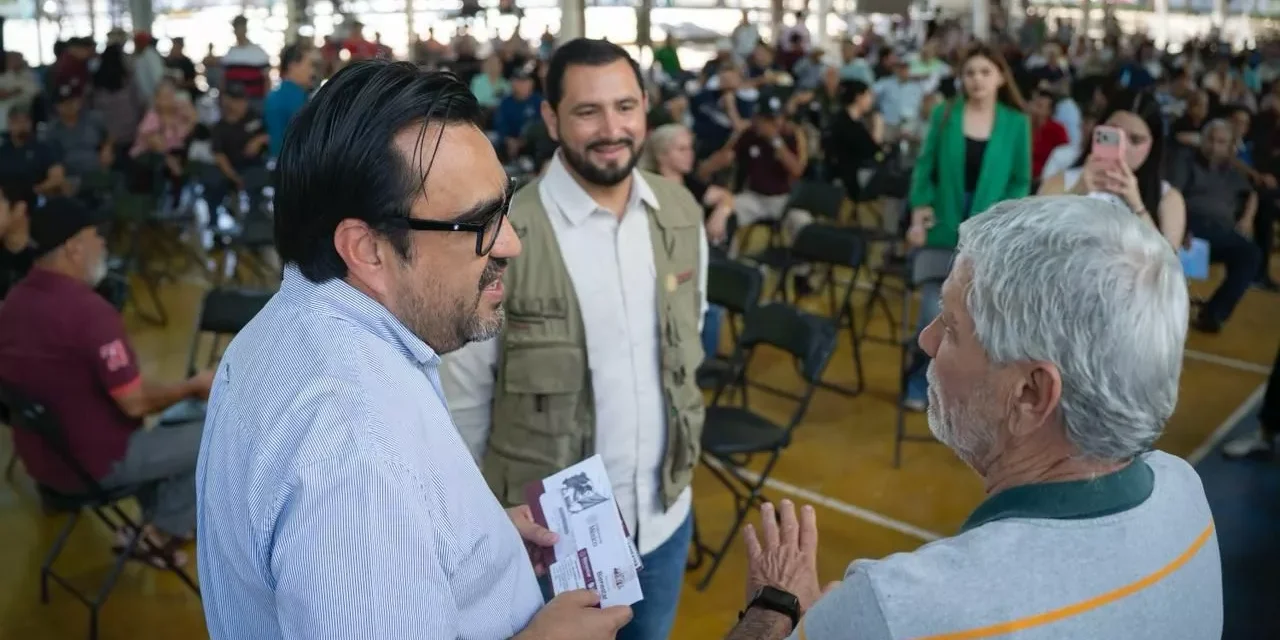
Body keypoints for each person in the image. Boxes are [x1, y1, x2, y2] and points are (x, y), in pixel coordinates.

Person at [196, 60, 632, 640]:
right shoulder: (359, 457)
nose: (511, 242)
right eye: (478, 223)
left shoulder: (287, 333)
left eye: (506, 205)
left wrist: (472, 551)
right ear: (367, 249)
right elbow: (366, 501)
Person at [723, 196, 1222, 640]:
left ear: (1031, 393)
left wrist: (775, 607)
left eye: (953, 326)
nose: (927, 339)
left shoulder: (901, 611)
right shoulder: (1183, 489)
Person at [441, 39, 706, 640]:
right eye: (588, 112)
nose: (612, 129)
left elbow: (685, 353)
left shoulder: (681, 215)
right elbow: (463, 409)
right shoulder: (506, 237)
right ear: (551, 118)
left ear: (646, 108)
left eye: (626, 107)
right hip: (550, 544)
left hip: (663, 524)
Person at [0, 197, 212, 566]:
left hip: (44, 462)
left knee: (179, 418)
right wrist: (193, 385)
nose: (104, 243)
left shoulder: (13, 302)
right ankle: (159, 534)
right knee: (218, 429)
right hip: (95, 466)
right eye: (96, 235)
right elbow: (135, 403)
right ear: (73, 248)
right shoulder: (87, 312)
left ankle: (157, 513)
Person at [903, 42, 1032, 411]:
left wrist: (1004, 220)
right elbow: (924, 169)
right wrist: (918, 212)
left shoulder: (1016, 123)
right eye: (971, 73)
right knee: (933, 313)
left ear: (1000, 78)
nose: (977, 80)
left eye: (985, 73)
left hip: (989, 231)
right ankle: (918, 380)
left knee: (978, 319)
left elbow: (1021, 179)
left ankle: (962, 390)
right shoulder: (945, 114)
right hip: (943, 222)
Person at [1039, 91, 1186, 247]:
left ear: (1153, 146)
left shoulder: (1167, 198)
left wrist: (1137, 206)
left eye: (1135, 140)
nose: (1123, 147)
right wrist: (1077, 191)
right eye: (1113, 135)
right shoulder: (1063, 180)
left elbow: (1168, 266)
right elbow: (1034, 240)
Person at [1166, 119, 1261, 333]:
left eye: (1221, 142)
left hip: (1222, 231)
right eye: (1211, 139)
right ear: (1202, 139)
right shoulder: (1185, 160)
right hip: (1192, 225)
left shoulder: (1232, 170)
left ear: (1229, 147)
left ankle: (1214, 314)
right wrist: (1182, 225)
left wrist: (1247, 218)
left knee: (1250, 255)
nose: (1215, 146)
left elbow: (1252, 193)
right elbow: (1173, 195)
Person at [264, 44, 315, 159]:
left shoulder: (274, 95)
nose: (311, 72)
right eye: (308, 66)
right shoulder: (295, 97)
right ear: (293, 66)